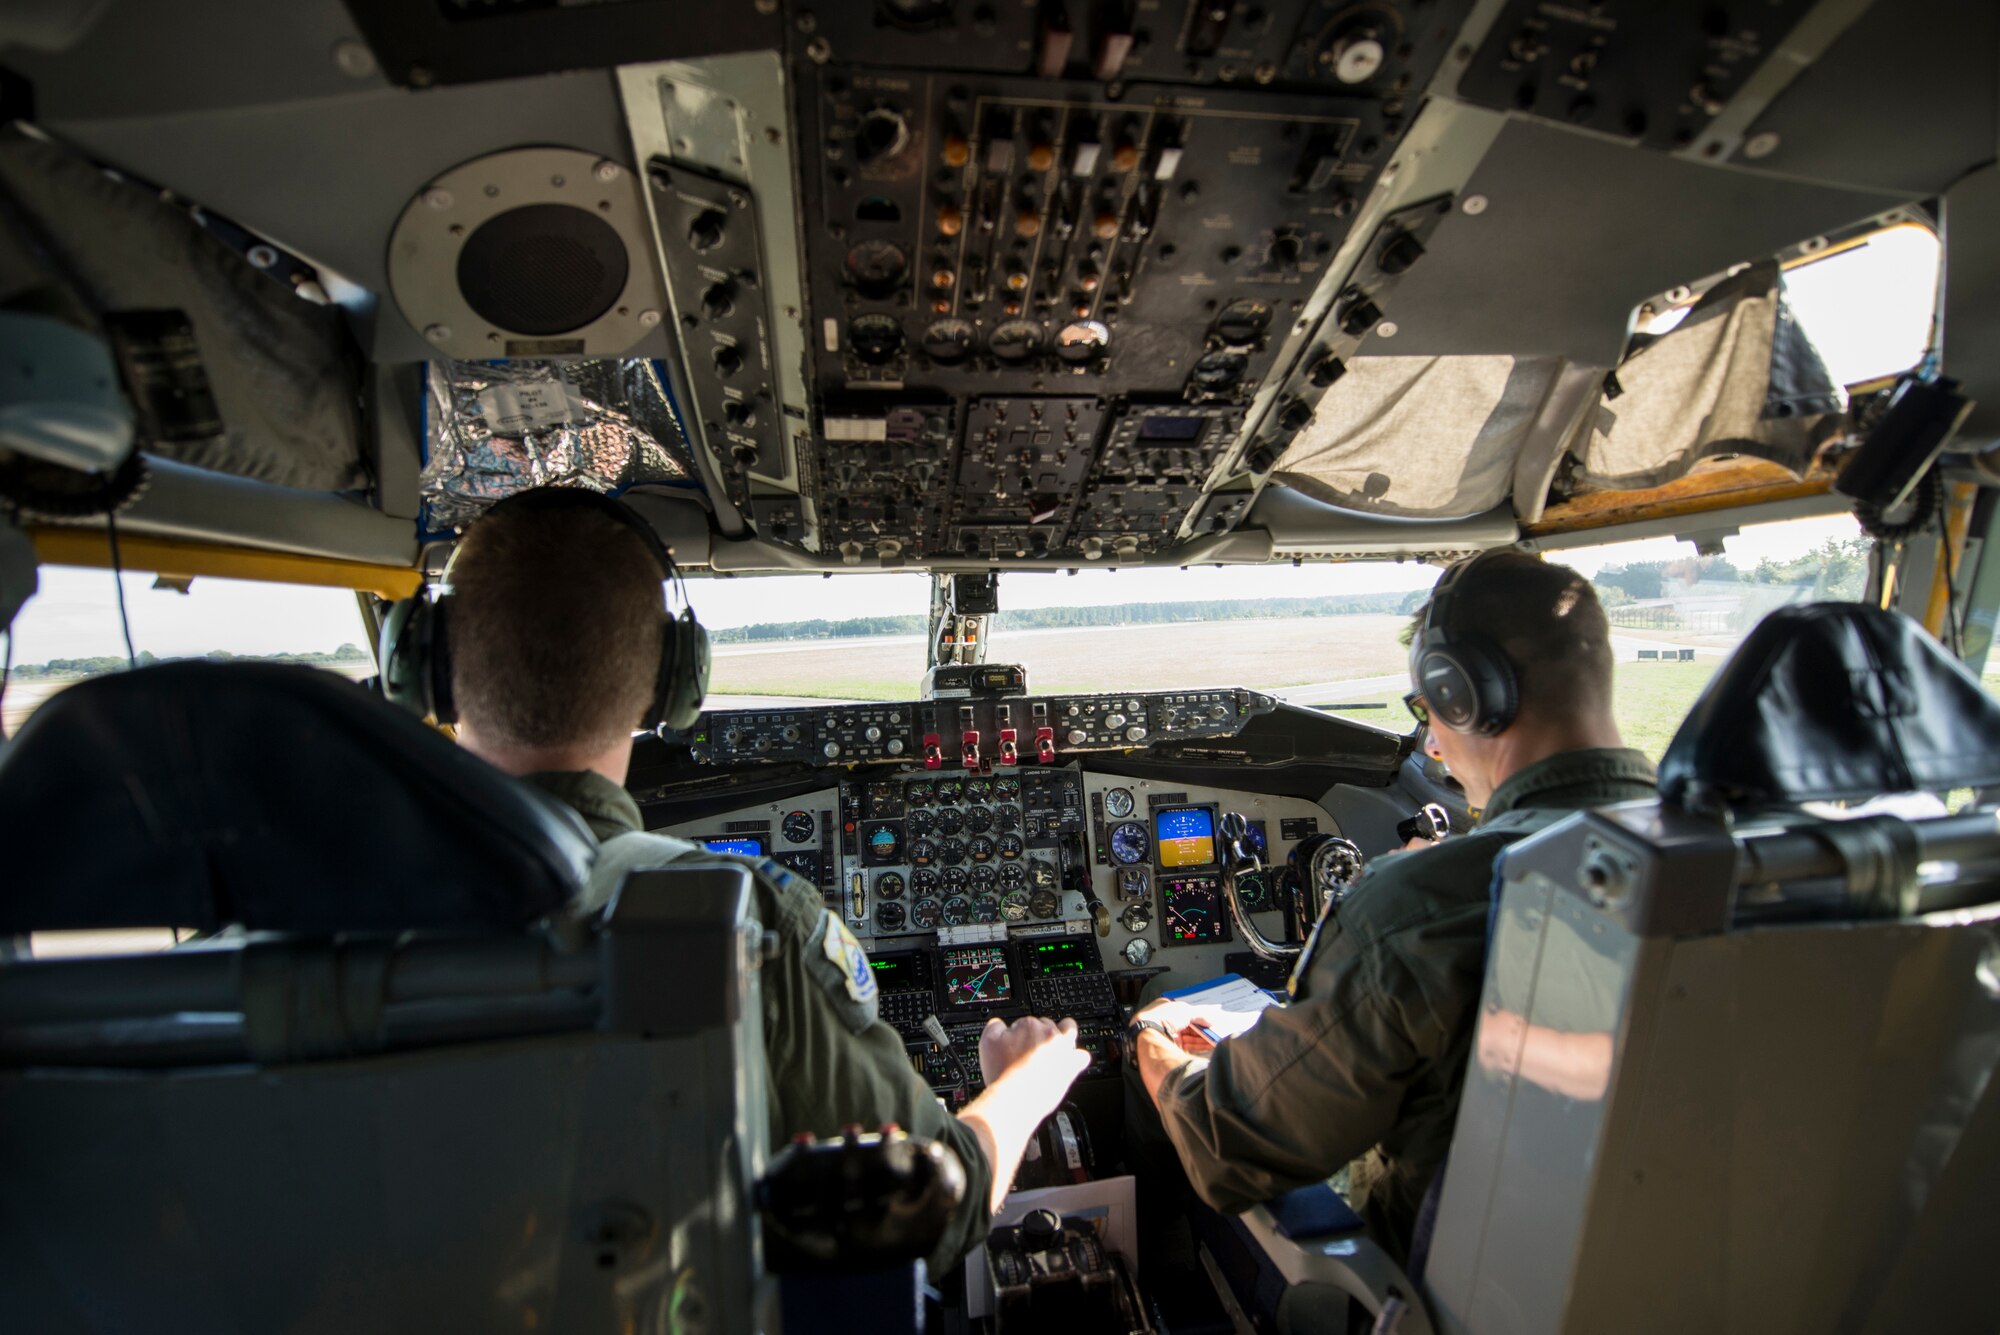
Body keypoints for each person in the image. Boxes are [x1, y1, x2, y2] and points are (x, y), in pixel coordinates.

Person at [442, 488, 1089, 1273]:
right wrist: (1024, 1082)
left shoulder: (293, 910)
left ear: (425, 666)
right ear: (672, 683)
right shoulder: (744, 918)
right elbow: (937, 1206)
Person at [1126, 549, 1658, 1264]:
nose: (1431, 745)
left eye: (1426, 711)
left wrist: (1153, 1050)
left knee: (1158, 1023)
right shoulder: (1741, 861)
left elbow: (1230, 1147)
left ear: (1463, 692)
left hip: (1433, 1291)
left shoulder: (1418, 909)